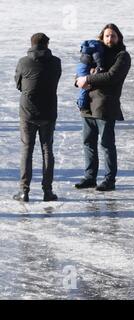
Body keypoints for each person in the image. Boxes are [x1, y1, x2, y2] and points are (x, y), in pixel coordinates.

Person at [74, 23, 131, 191]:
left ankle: (109, 179)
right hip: (87, 105)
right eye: (107, 35)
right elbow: (82, 70)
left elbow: (111, 76)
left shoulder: (122, 56)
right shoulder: (95, 52)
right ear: (101, 37)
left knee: (106, 144)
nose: (109, 39)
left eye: (113, 36)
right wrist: (79, 80)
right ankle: (90, 177)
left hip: (105, 105)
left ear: (119, 38)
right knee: (88, 143)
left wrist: (90, 79)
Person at [13, 33, 62, 202]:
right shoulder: (56, 62)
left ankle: (24, 191)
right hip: (48, 112)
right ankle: (47, 191)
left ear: (31, 44)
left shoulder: (23, 62)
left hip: (27, 112)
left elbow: (18, 84)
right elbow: (55, 80)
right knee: (47, 149)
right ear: (47, 44)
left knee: (27, 149)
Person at [76, 40, 105, 111]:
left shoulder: (86, 49)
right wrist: (99, 66)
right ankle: (82, 104)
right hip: (85, 67)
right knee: (85, 88)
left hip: (81, 67)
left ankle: (81, 104)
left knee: (84, 88)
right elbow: (97, 57)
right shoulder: (97, 47)